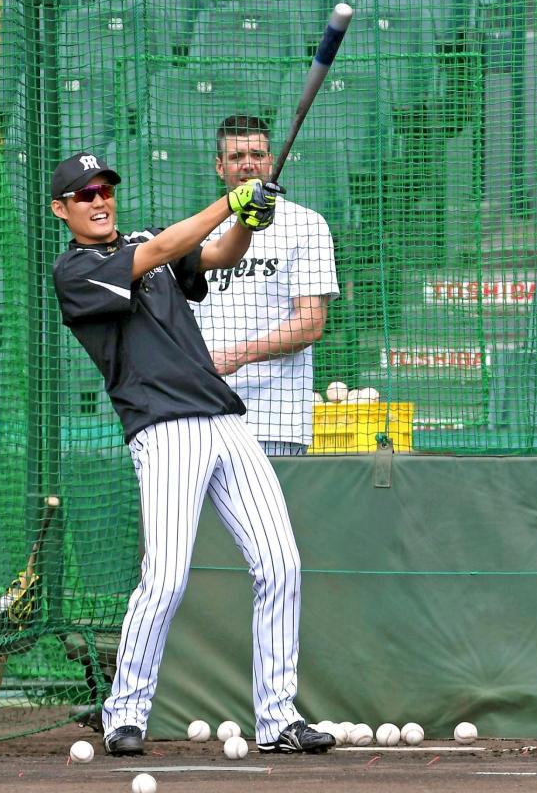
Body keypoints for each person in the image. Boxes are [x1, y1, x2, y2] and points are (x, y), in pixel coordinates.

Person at [51, 150, 335, 757]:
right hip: (164, 427)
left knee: (281, 563)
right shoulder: (75, 271)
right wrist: (229, 201)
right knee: (167, 578)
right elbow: (155, 255)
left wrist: (246, 222)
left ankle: (278, 718)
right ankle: (124, 712)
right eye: (84, 194)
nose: (99, 200)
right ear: (63, 209)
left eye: (105, 188)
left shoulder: (148, 240)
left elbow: (213, 256)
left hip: (226, 420)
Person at [195, 115, 340, 456]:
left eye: (257, 154)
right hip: (202, 415)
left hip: (274, 419)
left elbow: (310, 324)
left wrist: (236, 356)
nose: (248, 165)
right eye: (235, 157)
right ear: (219, 167)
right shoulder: (198, 230)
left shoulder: (305, 225)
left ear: (272, 161)